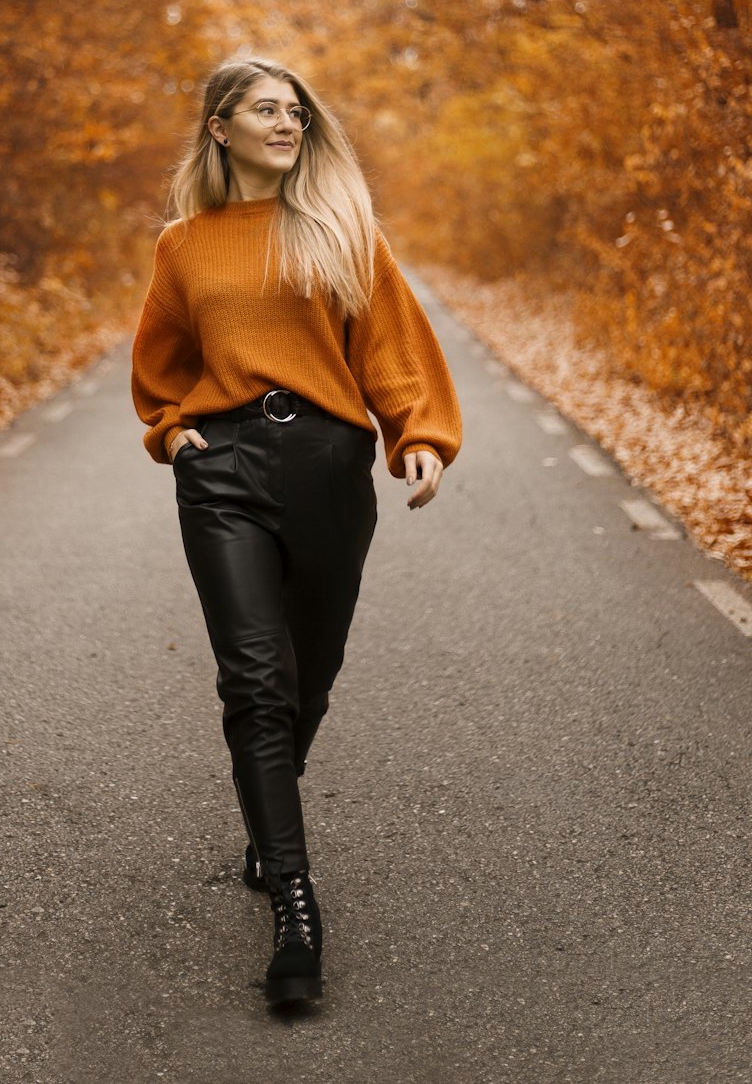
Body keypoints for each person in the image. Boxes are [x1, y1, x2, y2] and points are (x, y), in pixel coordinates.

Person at [130, 56, 462, 1006]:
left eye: (297, 114)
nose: (287, 124)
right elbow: (160, 360)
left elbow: (391, 344)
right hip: (222, 471)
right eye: (267, 110)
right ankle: (296, 903)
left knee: (309, 675)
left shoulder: (340, 227)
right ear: (219, 128)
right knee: (256, 680)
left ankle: (264, 817)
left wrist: (420, 435)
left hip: (327, 467)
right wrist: (171, 429)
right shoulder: (184, 244)